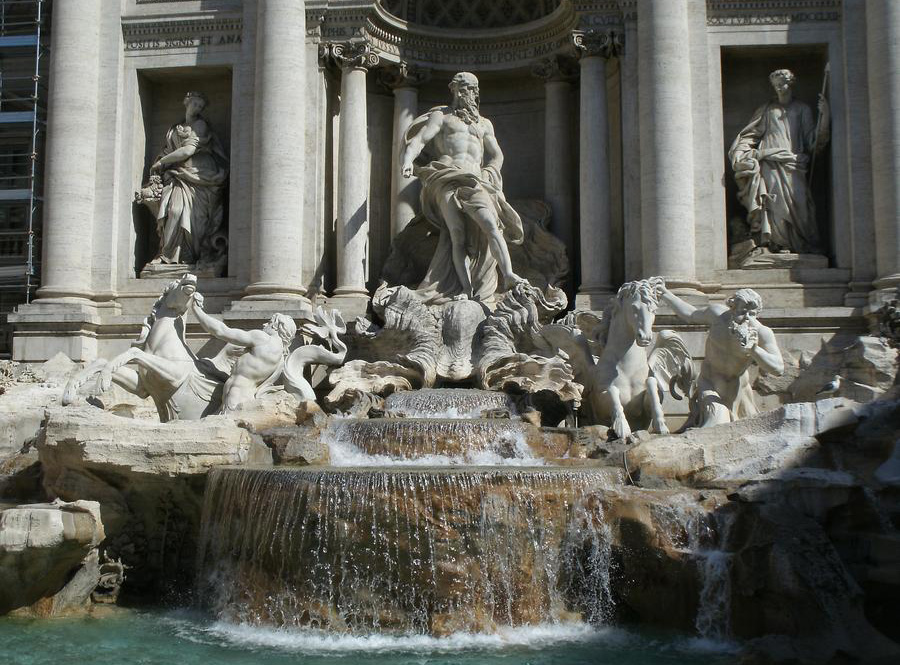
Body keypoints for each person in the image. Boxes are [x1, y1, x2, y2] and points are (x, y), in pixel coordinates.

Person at [401, 72, 526, 303]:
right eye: (468, 89)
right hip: (447, 178)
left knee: (490, 224)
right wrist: (408, 160)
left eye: (475, 90)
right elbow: (419, 140)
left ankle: (508, 275)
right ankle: (465, 290)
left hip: (476, 180)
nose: (473, 94)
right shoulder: (442, 117)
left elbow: (497, 155)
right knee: (456, 235)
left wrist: (491, 173)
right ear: (456, 90)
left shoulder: (484, 124)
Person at [729, 69, 829, 256]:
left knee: (800, 203)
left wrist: (825, 117)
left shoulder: (802, 109)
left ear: (790, 83)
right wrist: (743, 152)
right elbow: (751, 135)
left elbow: (813, 142)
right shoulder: (767, 110)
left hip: (794, 163)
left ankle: (801, 245)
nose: (779, 88)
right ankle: (779, 245)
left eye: (782, 84)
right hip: (770, 163)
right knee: (774, 204)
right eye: (775, 86)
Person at [659, 286, 784, 427]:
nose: (747, 318)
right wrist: (666, 294)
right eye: (742, 312)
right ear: (732, 308)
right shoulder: (717, 315)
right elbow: (690, 314)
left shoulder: (762, 333)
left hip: (737, 389)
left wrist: (754, 349)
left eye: (752, 314)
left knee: (750, 429)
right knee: (718, 421)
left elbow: (778, 368)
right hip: (709, 382)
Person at [148, 91, 229, 269]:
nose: (197, 108)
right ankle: (168, 255)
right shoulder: (175, 128)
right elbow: (169, 150)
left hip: (199, 176)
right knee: (174, 211)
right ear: (186, 103)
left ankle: (188, 257)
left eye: (200, 106)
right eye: (195, 104)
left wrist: (162, 162)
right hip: (178, 175)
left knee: (191, 217)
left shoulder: (200, 125)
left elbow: (187, 151)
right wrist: (162, 163)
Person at [188, 293, 296, 411]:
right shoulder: (281, 357)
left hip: (235, 398)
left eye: (269, 322)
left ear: (276, 327)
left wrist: (196, 310)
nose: (264, 324)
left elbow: (221, 331)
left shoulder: (263, 339)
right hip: (246, 398)